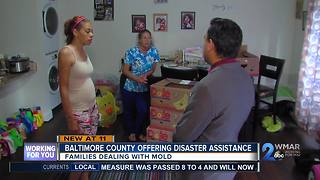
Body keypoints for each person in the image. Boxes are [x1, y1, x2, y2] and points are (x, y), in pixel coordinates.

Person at [173, 18, 255, 180]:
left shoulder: (207, 87)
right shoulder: (246, 78)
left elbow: (182, 136)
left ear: (210, 44)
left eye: (204, 40)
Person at [58, 16, 96, 180]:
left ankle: (85, 177)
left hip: (92, 108)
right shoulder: (67, 52)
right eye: (88, 31)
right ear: (75, 31)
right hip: (78, 112)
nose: (92, 34)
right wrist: (70, 118)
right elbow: (64, 87)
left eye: (92, 31)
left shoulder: (83, 49)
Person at [122, 29, 160, 142]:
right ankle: (132, 133)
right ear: (139, 39)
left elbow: (153, 68)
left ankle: (137, 132)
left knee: (143, 110)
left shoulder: (154, 52)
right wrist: (137, 78)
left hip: (143, 88)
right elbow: (125, 71)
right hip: (129, 87)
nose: (147, 40)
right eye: (144, 37)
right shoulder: (131, 52)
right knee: (128, 111)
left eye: (149, 37)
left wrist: (145, 75)